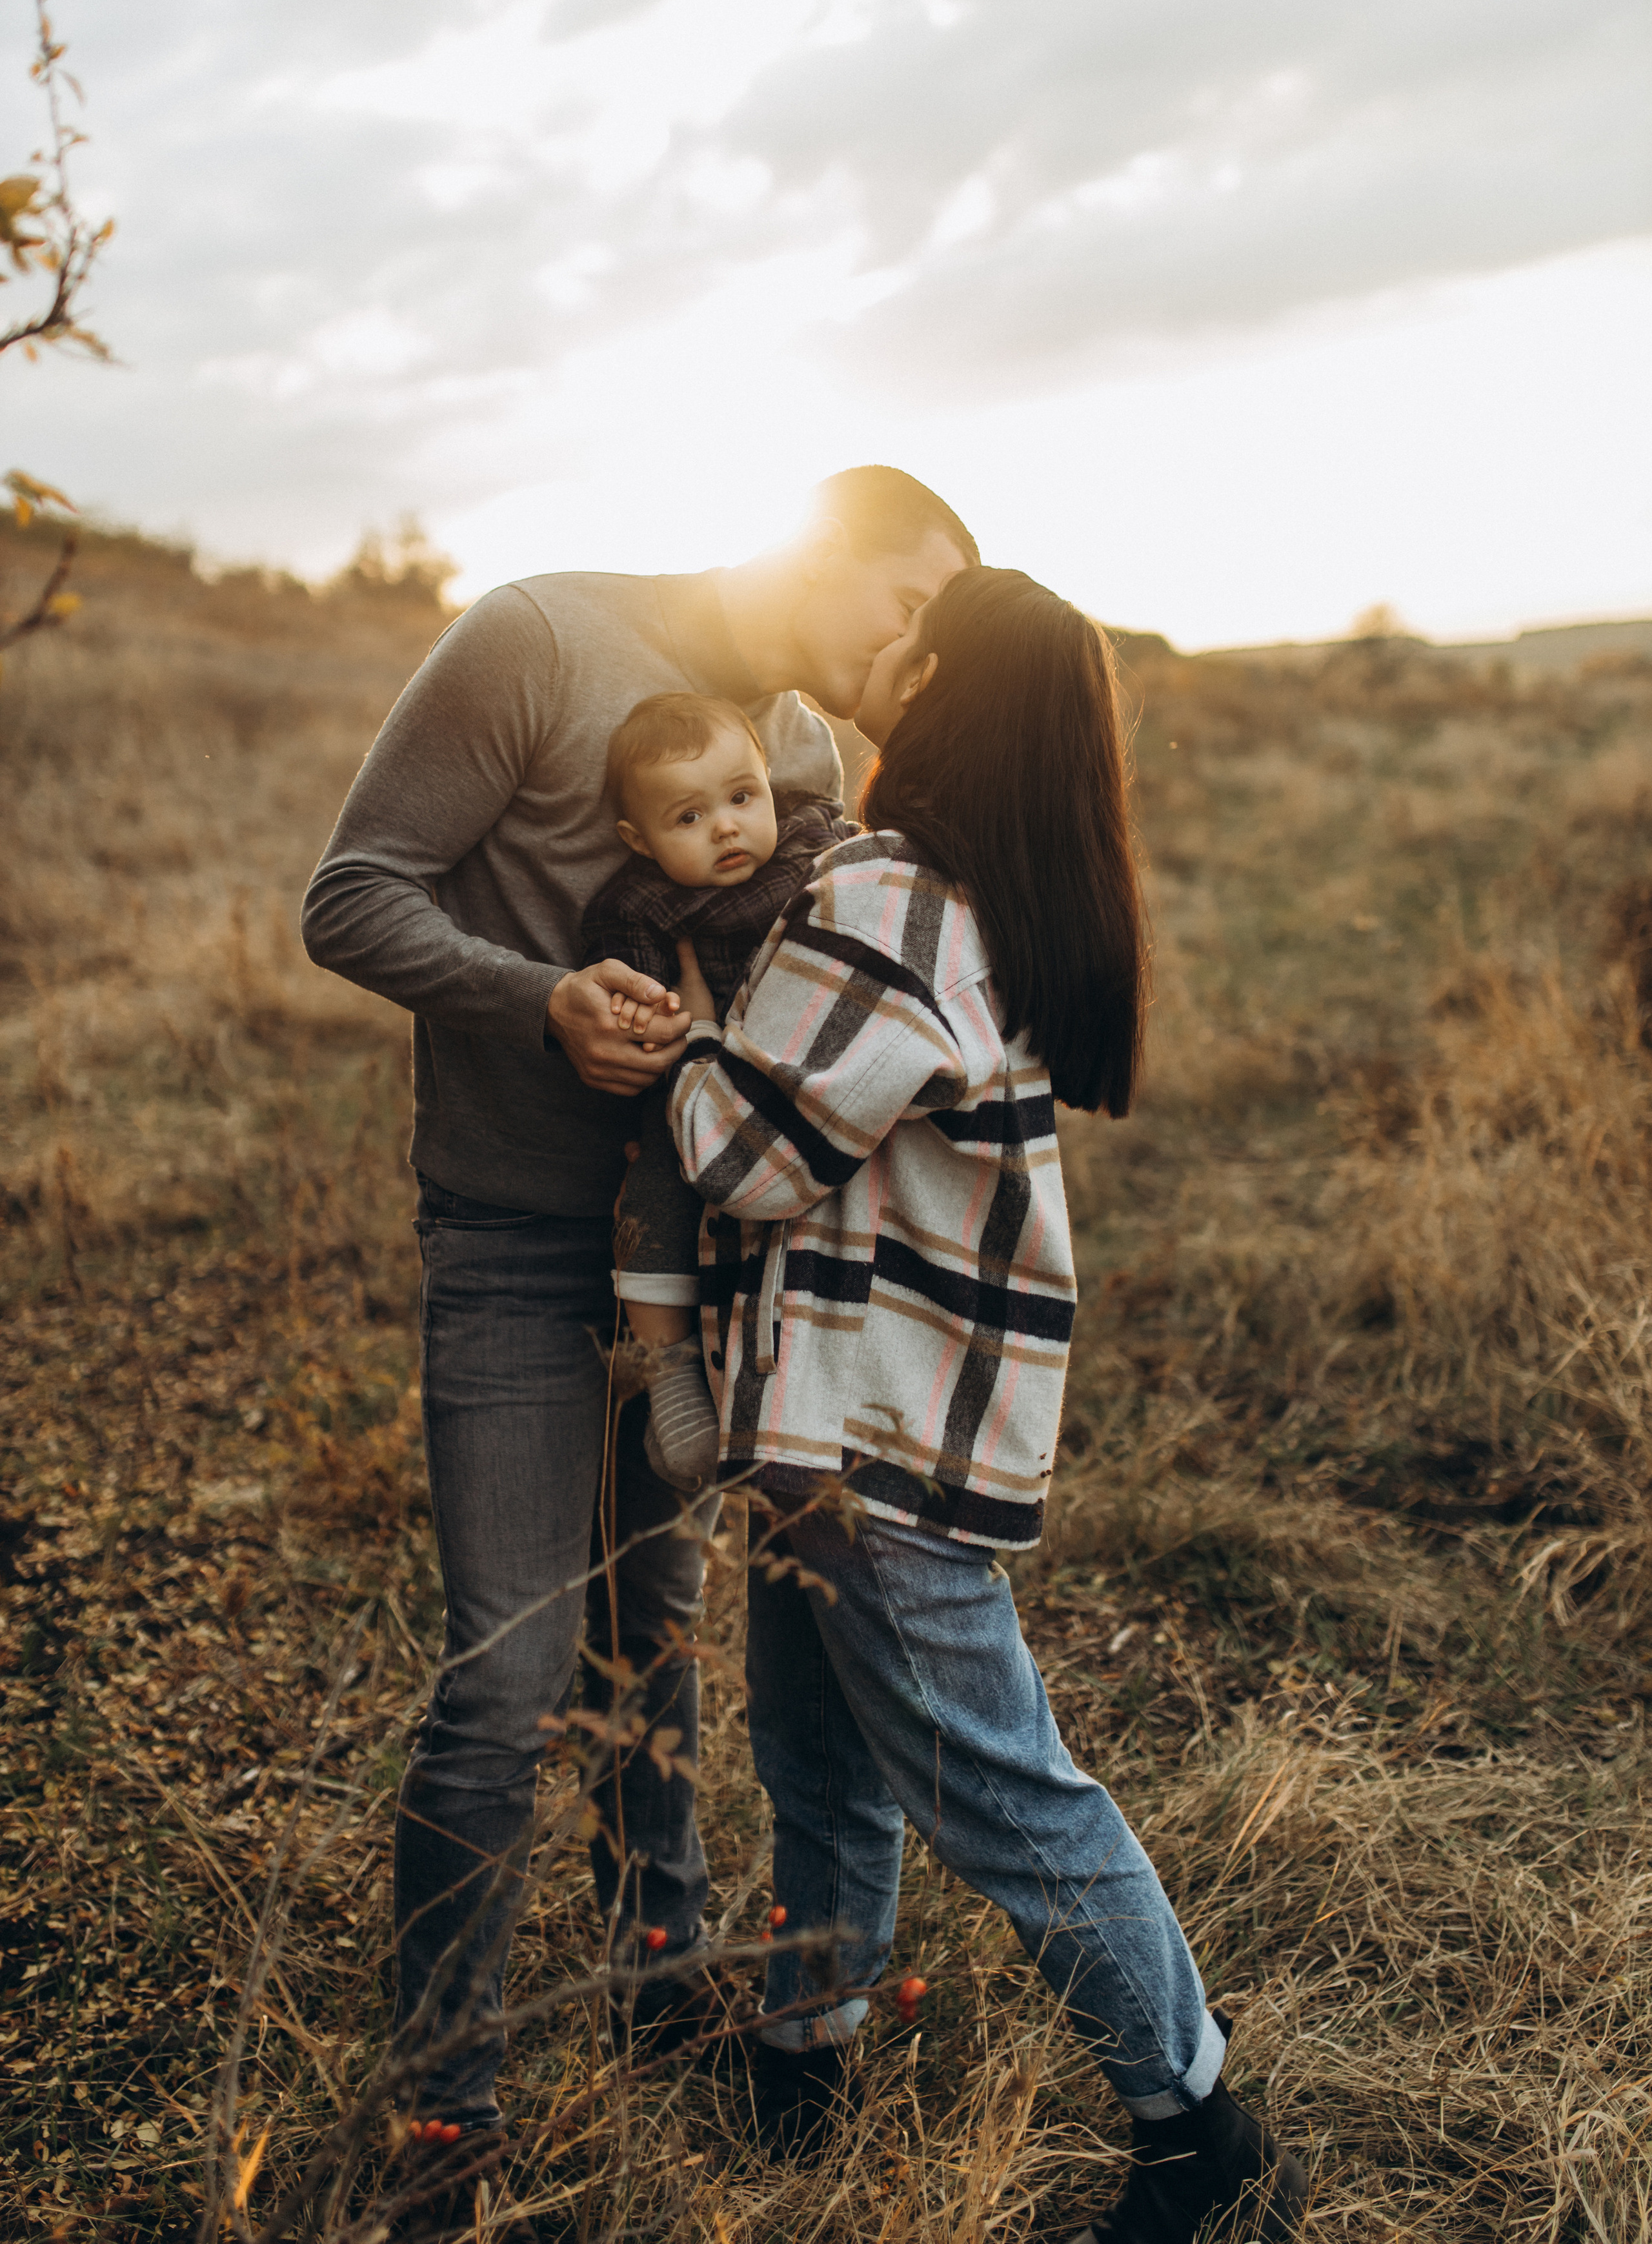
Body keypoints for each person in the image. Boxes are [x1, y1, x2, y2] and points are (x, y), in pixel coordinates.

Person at [298, 469, 977, 2192]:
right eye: (900, 602)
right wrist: (539, 1003)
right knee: (506, 1675)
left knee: (654, 1630)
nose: (910, 644)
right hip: (517, 1247)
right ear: (819, 551)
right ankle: (447, 2097)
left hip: (699, 1277)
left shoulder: (802, 757)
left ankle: (655, 1967)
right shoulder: (532, 639)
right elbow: (353, 893)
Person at [665, 569, 1310, 2243]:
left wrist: (670, 1044)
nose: (868, 634)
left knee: (1006, 1792)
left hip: (876, 1436)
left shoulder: (890, 893)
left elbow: (746, 1159)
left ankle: (1202, 2135)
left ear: (930, 673)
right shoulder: (982, 894)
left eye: (899, 626)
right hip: (856, 1423)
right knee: (818, 1761)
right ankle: (805, 2058)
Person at [579, 691, 851, 1493]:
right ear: (639, 840)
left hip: (806, 1078)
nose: (727, 827)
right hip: (698, 1090)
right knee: (657, 1187)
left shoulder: (818, 844)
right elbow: (638, 1005)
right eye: (688, 818)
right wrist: (652, 1019)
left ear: (770, 782)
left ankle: (803, 1378)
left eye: (741, 798)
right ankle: (670, 1373)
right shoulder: (638, 906)